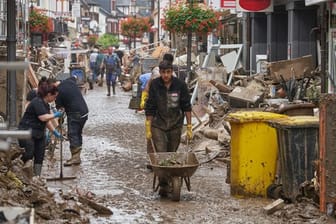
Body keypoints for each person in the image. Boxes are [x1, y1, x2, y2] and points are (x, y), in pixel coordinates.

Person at [144, 60, 193, 196]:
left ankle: (171, 179)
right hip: (158, 124)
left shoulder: (180, 85)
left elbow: (186, 106)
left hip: (176, 124)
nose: (166, 75)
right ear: (160, 73)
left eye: (168, 72)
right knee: (161, 154)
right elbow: (150, 106)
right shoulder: (155, 85)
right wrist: (148, 126)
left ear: (172, 72)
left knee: (171, 153)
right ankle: (164, 185)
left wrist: (189, 126)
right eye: (163, 72)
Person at [18, 79, 63, 176]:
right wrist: (56, 115)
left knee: (40, 155)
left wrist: (55, 132)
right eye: (54, 97)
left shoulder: (45, 104)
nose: (55, 99)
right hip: (27, 132)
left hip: (38, 133)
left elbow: (47, 121)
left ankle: (37, 176)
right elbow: (43, 118)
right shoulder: (37, 102)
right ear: (49, 95)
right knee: (29, 153)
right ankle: (23, 173)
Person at [55, 76, 89, 166]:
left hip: (75, 113)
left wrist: (60, 119)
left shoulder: (58, 92)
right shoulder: (69, 81)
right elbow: (74, 77)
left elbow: (60, 109)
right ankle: (77, 156)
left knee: (72, 134)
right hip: (84, 112)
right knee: (78, 133)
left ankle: (75, 157)